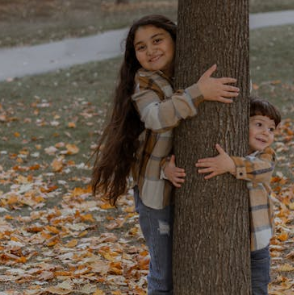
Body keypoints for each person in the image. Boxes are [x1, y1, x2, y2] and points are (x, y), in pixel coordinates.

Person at [91, 15, 239, 294]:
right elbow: (156, 118)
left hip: (176, 186)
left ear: (174, 38)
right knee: (164, 275)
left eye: (157, 40)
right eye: (141, 47)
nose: (151, 51)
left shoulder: (182, 72)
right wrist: (199, 93)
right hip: (154, 197)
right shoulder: (144, 82)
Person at [166, 96, 281, 294]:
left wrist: (232, 165)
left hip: (258, 244)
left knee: (257, 287)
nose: (265, 132)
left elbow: (264, 171)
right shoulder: (231, 146)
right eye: (259, 124)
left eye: (271, 129)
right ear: (240, 122)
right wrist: (165, 169)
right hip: (227, 240)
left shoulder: (264, 155)